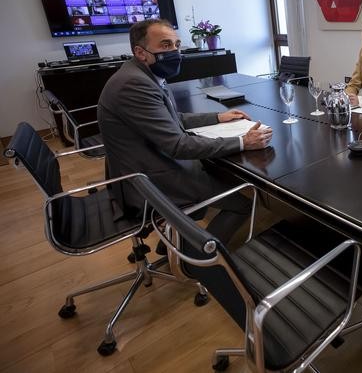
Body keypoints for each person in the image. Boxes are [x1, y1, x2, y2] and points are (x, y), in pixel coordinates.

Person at [98, 19, 273, 245]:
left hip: (144, 164)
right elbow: (177, 145)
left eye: (177, 45)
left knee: (219, 174)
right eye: (165, 45)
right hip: (149, 179)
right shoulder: (134, 85)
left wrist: (217, 117)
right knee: (244, 203)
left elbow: (173, 119)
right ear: (140, 52)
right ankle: (197, 259)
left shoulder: (142, 75)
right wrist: (242, 141)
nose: (175, 52)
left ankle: (173, 242)